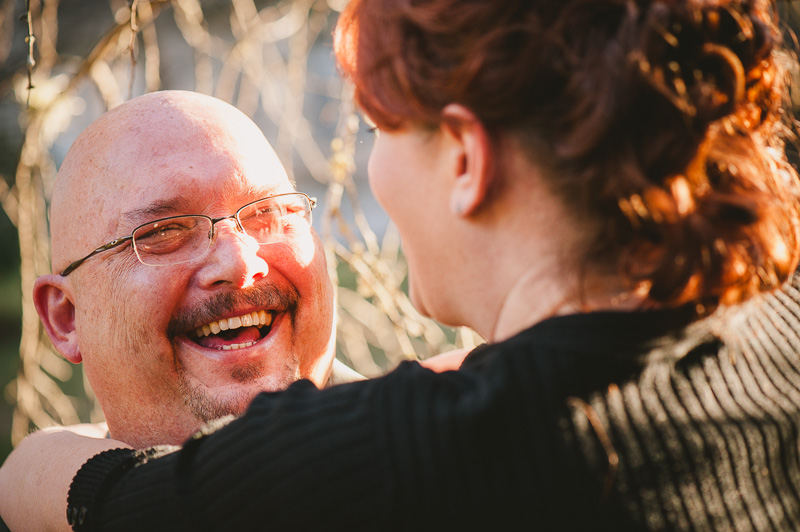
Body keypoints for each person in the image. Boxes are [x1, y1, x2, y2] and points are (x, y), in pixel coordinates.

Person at [2, 0, 800, 530]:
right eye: (165, 231)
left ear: (464, 160)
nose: (240, 262)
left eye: (380, 128)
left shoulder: (408, 458)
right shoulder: (777, 332)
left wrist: (36, 457)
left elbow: (106, 498)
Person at [26, 90, 353, 449]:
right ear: (67, 319)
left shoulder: (421, 456)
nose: (240, 263)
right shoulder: (37, 496)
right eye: (164, 232)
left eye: (267, 213)